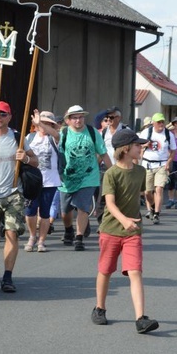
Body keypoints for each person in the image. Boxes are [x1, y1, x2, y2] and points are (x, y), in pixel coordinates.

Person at [91, 128, 159, 334]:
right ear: (126, 148)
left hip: (133, 232)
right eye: (138, 145)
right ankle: (100, 308)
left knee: (135, 271)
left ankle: (140, 318)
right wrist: (124, 220)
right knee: (105, 270)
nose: (142, 147)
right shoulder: (111, 174)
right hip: (111, 229)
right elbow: (109, 203)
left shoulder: (141, 171)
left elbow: (139, 193)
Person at [0, 100, 39, 292]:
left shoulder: (18, 137)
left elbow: (35, 161)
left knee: (11, 233)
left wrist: (26, 159)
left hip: (14, 193)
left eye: (3, 114)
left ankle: (7, 277)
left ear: (9, 117)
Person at [58, 105, 112, 251]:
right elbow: (58, 155)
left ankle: (79, 238)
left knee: (83, 208)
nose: (78, 120)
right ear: (68, 120)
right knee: (65, 211)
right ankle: (69, 230)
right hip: (68, 178)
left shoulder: (92, 132)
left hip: (88, 176)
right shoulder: (63, 133)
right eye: (74, 117)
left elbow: (103, 153)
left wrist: (113, 172)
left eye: (80, 117)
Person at [24, 110, 61, 253]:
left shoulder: (55, 138)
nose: (43, 126)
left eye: (47, 124)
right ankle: (32, 236)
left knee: (45, 212)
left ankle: (41, 241)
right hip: (33, 181)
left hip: (50, 181)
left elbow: (57, 135)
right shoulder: (30, 137)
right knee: (30, 211)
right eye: (42, 123)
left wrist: (40, 123)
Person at [138, 112, 176, 223]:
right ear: (153, 123)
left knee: (159, 189)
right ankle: (151, 208)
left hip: (161, 164)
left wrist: (169, 162)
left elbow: (173, 150)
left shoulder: (168, 134)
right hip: (147, 164)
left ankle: (156, 214)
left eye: (162, 122)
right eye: (159, 122)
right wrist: (145, 145)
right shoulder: (146, 132)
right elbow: (137, 145)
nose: (161, 124)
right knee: (147, 192)